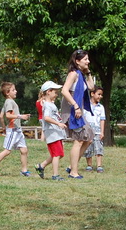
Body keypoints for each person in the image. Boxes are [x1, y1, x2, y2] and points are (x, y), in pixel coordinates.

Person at [61, 49, 95, 179]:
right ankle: (73, 172)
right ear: (77, 61)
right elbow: (64, 91)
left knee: (88, 138)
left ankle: (71, 166)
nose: (88, 61)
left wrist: (88, 72)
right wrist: (75, 106)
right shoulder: (73, 74)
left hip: (78, 111)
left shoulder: (81, 75)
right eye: (85, 59)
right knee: (79, 140)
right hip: (72, 111)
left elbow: (91, 87)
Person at [0, 82, 31, 177]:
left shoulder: (8, 102)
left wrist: (3, 127)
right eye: (13, 90)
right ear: (7, 92)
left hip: (17, 130)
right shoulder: (9, 102)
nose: (16, 91)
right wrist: (21, 116)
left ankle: (24, 170)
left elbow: (1, 116)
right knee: (7, 151)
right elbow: (8, 115)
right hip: (13, 130)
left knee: (24, 150)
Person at [35, 81, 67, 180]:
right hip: (52, 133)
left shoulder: (51, 104)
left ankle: (41, 166)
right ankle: (55, 175)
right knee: (56, 154)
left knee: (60, 154)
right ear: (48, 92)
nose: (57, 94)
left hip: (56, 132)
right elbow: (46, 117)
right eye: (55, 92)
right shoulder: (47, 105)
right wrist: (58, 124)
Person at [83, 86, 106, 173]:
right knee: (88, 148)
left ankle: (99, 165)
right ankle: (89, 165)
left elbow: (102, 120)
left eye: (101, 95)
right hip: (88, 131)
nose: (100, 96)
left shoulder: (101, 107)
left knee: (98, 147)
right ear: (92, 94)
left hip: (97, 131)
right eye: (99, 94)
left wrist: (102, 132)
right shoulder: (85, 105)